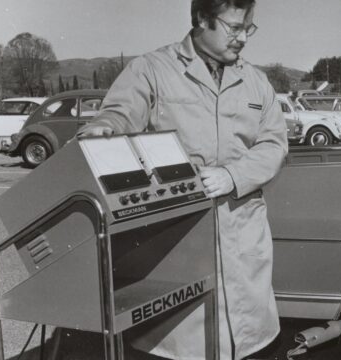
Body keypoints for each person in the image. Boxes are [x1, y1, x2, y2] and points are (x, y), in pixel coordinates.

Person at [78, 1, 287, 359]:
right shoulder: (151, 69)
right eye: (234, 28)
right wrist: (103, 128)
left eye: (247, 29)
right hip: (178, 242)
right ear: (202, 19)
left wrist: (233, 175)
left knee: (248, 343)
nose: (242, 39)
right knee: (183, 344)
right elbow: (119, 112)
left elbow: (274, 143)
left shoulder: (256, 81)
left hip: (243, 240)